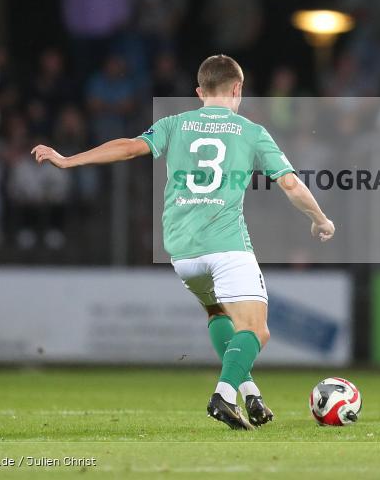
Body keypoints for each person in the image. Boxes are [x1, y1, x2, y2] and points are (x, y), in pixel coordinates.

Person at [31, 55, 335, 430]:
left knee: (218, 314)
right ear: (238, 89)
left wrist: (68, 160)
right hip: (226, 246)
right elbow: (290, 184)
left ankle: (249, 392)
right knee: (256, 330)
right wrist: (320, 219)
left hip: (183, 251)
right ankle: (224, 395)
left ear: (198, 92)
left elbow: (127, 147)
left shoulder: (174, 124)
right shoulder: (251, 131)